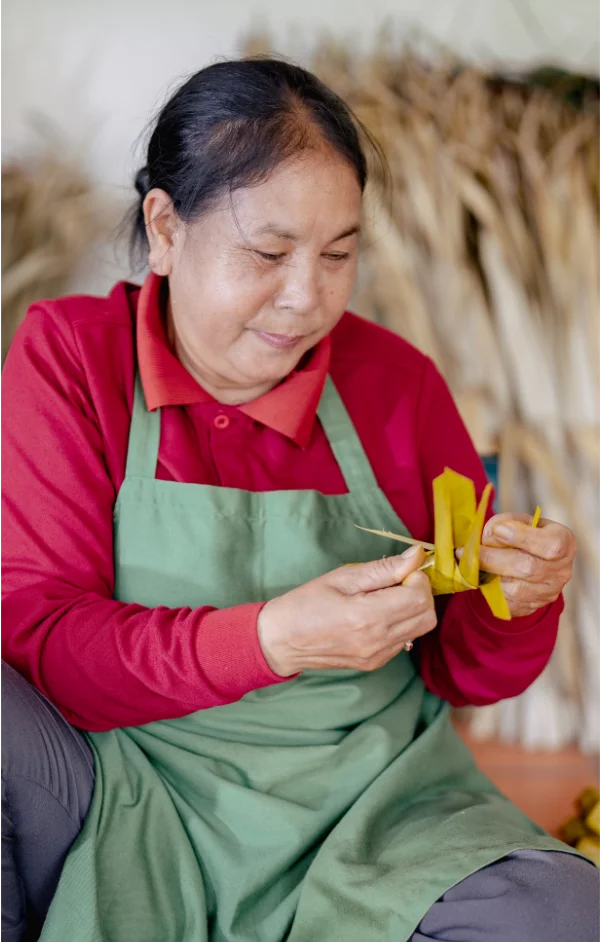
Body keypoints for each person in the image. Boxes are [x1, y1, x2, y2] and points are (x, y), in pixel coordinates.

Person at [0, 57, 598, 942]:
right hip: (126, 787)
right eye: (269, 253)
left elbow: (463, 673)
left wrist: (515, 601)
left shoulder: (396, 383)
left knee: (565, 913)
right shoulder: (71, 358)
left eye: (339, 254)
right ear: (165, 228)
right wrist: (270, 640)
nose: (304, 297)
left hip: (367, 810)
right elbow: (44, 642)